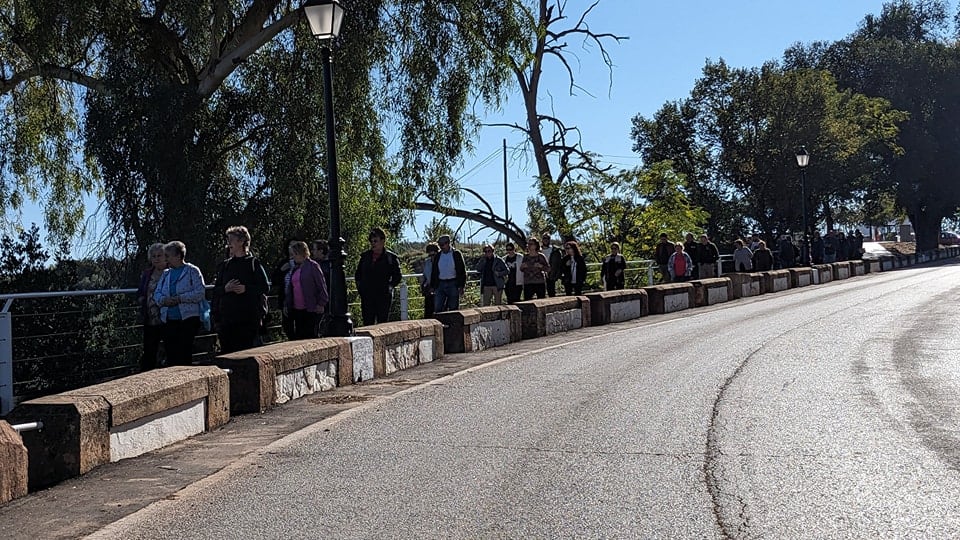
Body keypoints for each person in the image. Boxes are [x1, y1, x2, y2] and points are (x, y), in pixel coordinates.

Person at [212, 225, 271, 354]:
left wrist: (246, 289)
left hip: (248, 319)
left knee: (247, 354)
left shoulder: (253, 263)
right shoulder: (225, 265)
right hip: (227, 320)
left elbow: (265, 287)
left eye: (231, 240)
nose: (229, 244)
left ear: (241, 241)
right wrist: (226, 289)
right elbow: (216, 291)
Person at [154, 241, 206, 366]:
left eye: (168, 256)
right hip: (169, 319)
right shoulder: (166, 274)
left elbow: (200, 292)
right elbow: (157, 293)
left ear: (178, 256)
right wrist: (164, 300)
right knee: (171, 353)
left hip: (188, 319)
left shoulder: (192, 271)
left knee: (184, 352)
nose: (166, 259)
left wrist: (180, 298)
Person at [355, 227, 402, 326]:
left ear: (383, 241)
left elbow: (397, 276)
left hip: (383, 296)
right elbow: (358, 275)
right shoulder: (365, 257)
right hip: (367, 296)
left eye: (375, 241)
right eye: (371, 241)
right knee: (367, 322)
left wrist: (390, 286)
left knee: (382, 322)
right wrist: (361, 289)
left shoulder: (391, 258)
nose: (373, 244)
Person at [284, 241, 328, 339]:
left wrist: (321, 303)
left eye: (294, 254)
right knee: (299, 335)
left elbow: (321, 285)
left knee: (310, 335)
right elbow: (291, 288)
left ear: (301, 253)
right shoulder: (295, 268)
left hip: (310, 308)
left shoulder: (313, 266)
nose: (293, 257)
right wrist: (287, 304)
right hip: (297, 309)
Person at [137, 243, 168, 371]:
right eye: (154, 256)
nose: (156, 259)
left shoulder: (171, 271)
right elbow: (141, 290)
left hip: (167, 317)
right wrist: (142, 299)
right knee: (149, 350)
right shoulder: (147, 273)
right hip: (150, 317)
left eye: (159, 255)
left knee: (169, 348)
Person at [430, 234, 467, 313]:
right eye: (440, 245)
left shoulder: (456, 254)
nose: (442, 247)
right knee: (438, 307)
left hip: (453, 283)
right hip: (440, 283)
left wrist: (461, 286)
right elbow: (434, 271)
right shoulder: (438, 256)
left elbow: (462, 271)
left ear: (448, 243)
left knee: (453, 308)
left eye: (443, 244)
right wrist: (432, 286)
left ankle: (452, 324)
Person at [419, 242, 439, 317]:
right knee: (428, 311)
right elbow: (425, 275)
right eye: (430, 255)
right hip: (429, 289)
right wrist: (424, 285)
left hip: (439, 289)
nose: (432, 257)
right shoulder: (427, 262)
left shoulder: (440, 262)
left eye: (433, 255)